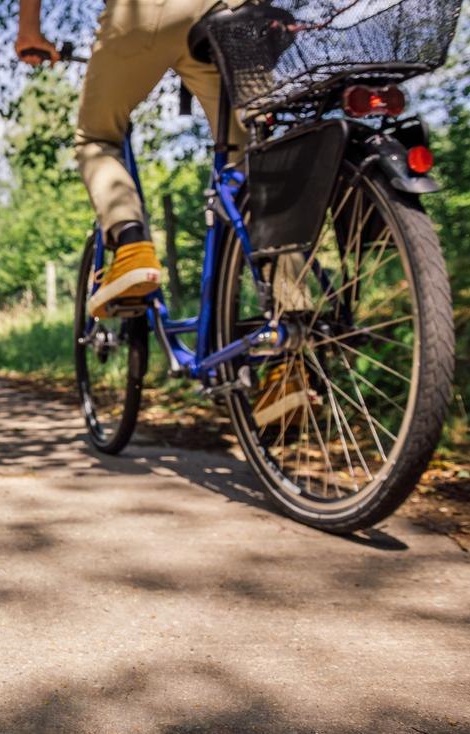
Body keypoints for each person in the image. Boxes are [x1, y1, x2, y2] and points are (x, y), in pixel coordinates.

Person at [16, 0, 308, 427]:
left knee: (97, 138)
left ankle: (132, 247)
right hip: (234, 12)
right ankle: (294, 357)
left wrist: (30, 33)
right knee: (257, 170)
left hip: (145, 13)